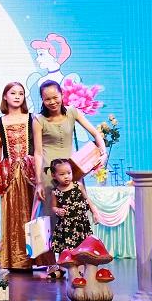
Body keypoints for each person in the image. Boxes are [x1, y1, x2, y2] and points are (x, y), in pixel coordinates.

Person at [32, 79, 106, 277]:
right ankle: (52, 263)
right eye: (47, 99)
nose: (52, 102)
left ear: (62, 95)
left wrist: (103, 152)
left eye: (55, 97)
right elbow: (37, 152)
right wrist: (39, 181)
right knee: (49, 219)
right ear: (42, 100)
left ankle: (77, 260)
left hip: (72, 172)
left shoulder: (72, 112)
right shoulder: (38, 120)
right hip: (49, 174)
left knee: (77, 215)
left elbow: (95, 133)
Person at [0, 82, 37, 272]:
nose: (17, 96)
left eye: (21, 93)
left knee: (33, 213)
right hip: (10, 173)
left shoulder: (32, 119)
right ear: (5, 96)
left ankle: (37, 258)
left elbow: (39, 147)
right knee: (12, 214)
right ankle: (15, 259)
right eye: (13, 93)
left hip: (31, 172)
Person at [49, 158, 99, 262]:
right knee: (68, 249)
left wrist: (94, 212)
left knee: (83, 248)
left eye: (69, 173)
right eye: (62, 174)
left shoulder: (78, 185)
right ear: (54, 175)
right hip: (66, 226)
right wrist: (58, 210)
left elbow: (87, 199)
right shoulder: (55, 192)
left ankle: (82, 266)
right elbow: (53, 207)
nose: (66, 176)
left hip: (81, 224)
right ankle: (67, 267)